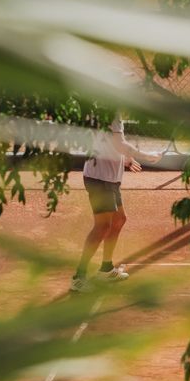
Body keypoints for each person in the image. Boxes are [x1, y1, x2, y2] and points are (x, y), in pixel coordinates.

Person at [71, 117, 144, 290]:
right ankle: (79, 277)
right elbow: (119, 143)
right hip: (100, 179)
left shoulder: (111, 111)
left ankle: (106, 269)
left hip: (108, 178)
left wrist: (125, 159)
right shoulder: (112, 111)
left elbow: (108, 142)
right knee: (103, 226)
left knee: (119, 219)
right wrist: (145, 155)